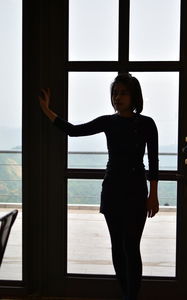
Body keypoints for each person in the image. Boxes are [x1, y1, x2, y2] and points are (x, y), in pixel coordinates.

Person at [39, 73, 159, 300]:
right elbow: (74, 130)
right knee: (117, 247)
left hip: (136, 191)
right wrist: (47, 110)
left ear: (134, 96)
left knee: (131, 247)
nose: (118, 97)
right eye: (115, 92)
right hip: (112, 190)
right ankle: (127, 295)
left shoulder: (146, 124)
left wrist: (153, 195)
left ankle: (131, 297)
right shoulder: (108, 121)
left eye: (123, 92)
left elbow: (153, 162)